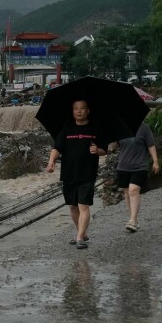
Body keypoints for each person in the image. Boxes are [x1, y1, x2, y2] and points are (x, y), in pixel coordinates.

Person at [45, 100, 107, 249]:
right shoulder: (66, 129)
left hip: (87, 173)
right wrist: (51, 161)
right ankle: (82, 232)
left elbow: (105, 149)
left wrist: (98, 151)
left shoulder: (95, 128)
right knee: (73, 207)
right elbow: (57, 147)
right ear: (72, 111)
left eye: (82, 109)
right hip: (68, 173)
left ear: (88, 111)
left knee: (83, 205)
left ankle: (80, 238)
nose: (79, 111)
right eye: (76, 109)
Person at [114, 122, 159, 232]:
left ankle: (133, 220)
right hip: (123, 166)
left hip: (140, 166)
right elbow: (114, 146)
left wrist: (155, 161)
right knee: (127, 193)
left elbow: (151, 145)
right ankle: (133, 219)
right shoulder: (120, 128)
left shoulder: (144, 128)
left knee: (133, 191)